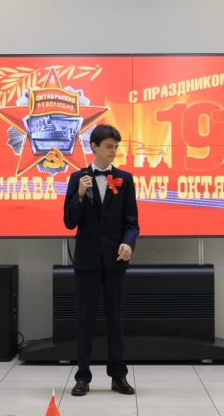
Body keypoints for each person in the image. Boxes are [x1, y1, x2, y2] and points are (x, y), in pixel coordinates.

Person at [63, 124, 139, 396]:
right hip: (87, 261)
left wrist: (128, 242)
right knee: (84, 320)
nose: (113, 151)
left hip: (115, 261)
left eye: (116, 147)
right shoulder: (77, 178)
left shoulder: (125, 179)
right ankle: (82, 376)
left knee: (115, 320)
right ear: (94, 147)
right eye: (109, 146)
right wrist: (81, 195)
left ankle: (118, 376)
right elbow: (69, 221)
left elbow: (132, 222)